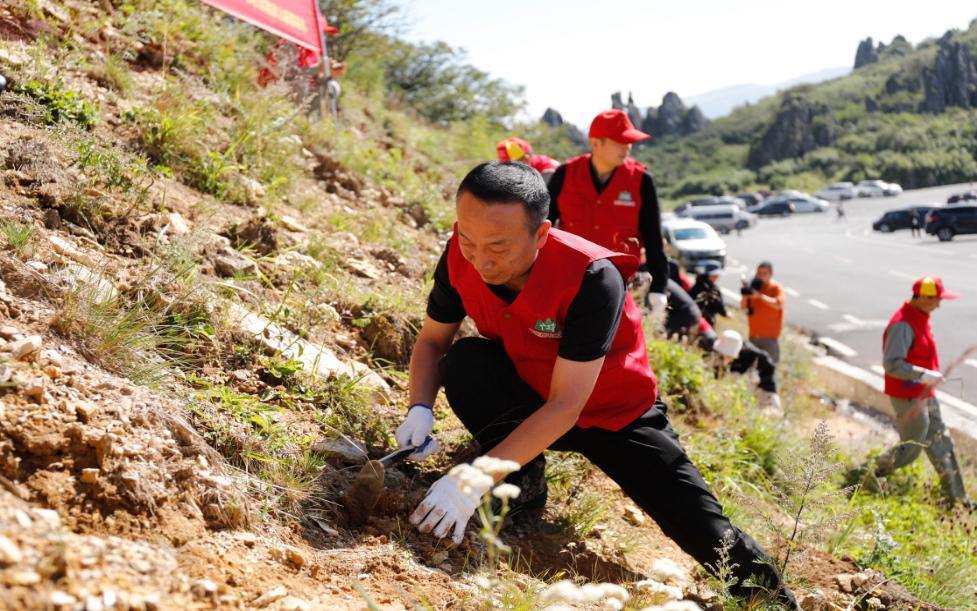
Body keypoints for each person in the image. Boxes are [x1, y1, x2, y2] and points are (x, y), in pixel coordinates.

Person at [395, 161, 798, 607]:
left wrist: (473, 476)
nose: (481, 260)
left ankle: (776, 601)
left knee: (702, 528)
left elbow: (567, 404)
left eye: (499, 247)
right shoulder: (460, 255)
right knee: (467, 362)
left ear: (542, 234)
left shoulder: (590, 277)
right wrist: (419, 408)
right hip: (532, 395)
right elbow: (433, 341)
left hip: (615, 415)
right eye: (469, 240)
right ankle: (524, 484)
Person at [856, 277, 970, 505]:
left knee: (942, 443)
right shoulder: (903, 324)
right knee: (911, 449)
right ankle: (863, 475)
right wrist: (921, 374)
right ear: (922, 298)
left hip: (925, 394)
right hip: (908, 397)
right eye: (936, 300)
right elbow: (892, 364)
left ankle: (957, 499)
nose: (938, 305)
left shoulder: (921, 317)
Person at [546, 110, 670, 319]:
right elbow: (543, 224)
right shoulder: (565, 174)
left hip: (621, 283)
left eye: (629, 142)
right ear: (596, 143)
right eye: (620, 142)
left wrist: (659, 286)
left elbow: (653, 236)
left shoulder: (642, 180)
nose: (628, 147)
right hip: (569, 279)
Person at [708, 330, 781, 413]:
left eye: (727, 356)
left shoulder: (751, 354)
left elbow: (770, 366)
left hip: (763, 386)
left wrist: (760, 378)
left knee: (774, 412)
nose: (723, 357)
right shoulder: (719, 350)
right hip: (744, 389)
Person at [741, 261, 785, 363]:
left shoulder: (776, 288)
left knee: (770, 368)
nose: (761, 276)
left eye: (764, 273)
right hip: (753, 336)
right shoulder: (754, 287)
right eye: (759, 273)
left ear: (771, 274)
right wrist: (745, 294)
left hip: (770, 338)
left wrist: (760, 296)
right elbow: (743, 308)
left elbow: (778, 305)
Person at [495, 137, 561, 184]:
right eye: (503, 166)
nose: (507, 171)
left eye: (511, 166)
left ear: (526, 159)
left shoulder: (549, 172)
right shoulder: (531, 170)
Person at [689, 261, 727, 327]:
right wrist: (725, 313)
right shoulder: (713, 289)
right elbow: (718, 304)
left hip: (693, 319)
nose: (717, 277)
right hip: (707, 321)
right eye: (716, 275)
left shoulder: (697, 284)